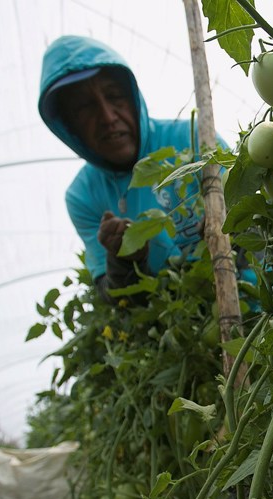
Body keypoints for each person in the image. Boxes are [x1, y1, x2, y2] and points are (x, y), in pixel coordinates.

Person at [38, 35, 227, 302]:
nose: (107, 117)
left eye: (114, 97)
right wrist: (123, 259)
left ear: (132, 97)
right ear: (69, 126)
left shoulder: (194, 138)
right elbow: (116, 295)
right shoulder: (83, 196)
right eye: (85, 107)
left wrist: (225, 223)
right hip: (182, 324)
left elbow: (252, 212)